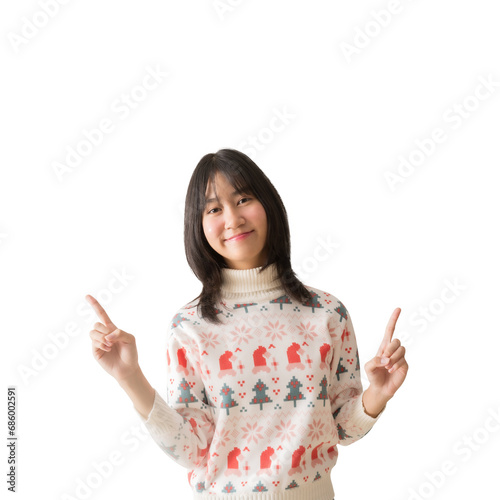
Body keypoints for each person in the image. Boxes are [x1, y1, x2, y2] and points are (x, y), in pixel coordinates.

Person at [86, 149, 408, 499]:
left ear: (268, 204)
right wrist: (129, 377)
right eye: (214, 209)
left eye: (243, 199)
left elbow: (343, 428)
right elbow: (190, 449)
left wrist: (378, 394)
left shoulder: (327, 313)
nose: (233, 218)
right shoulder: (190, 327)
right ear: (199, 225)